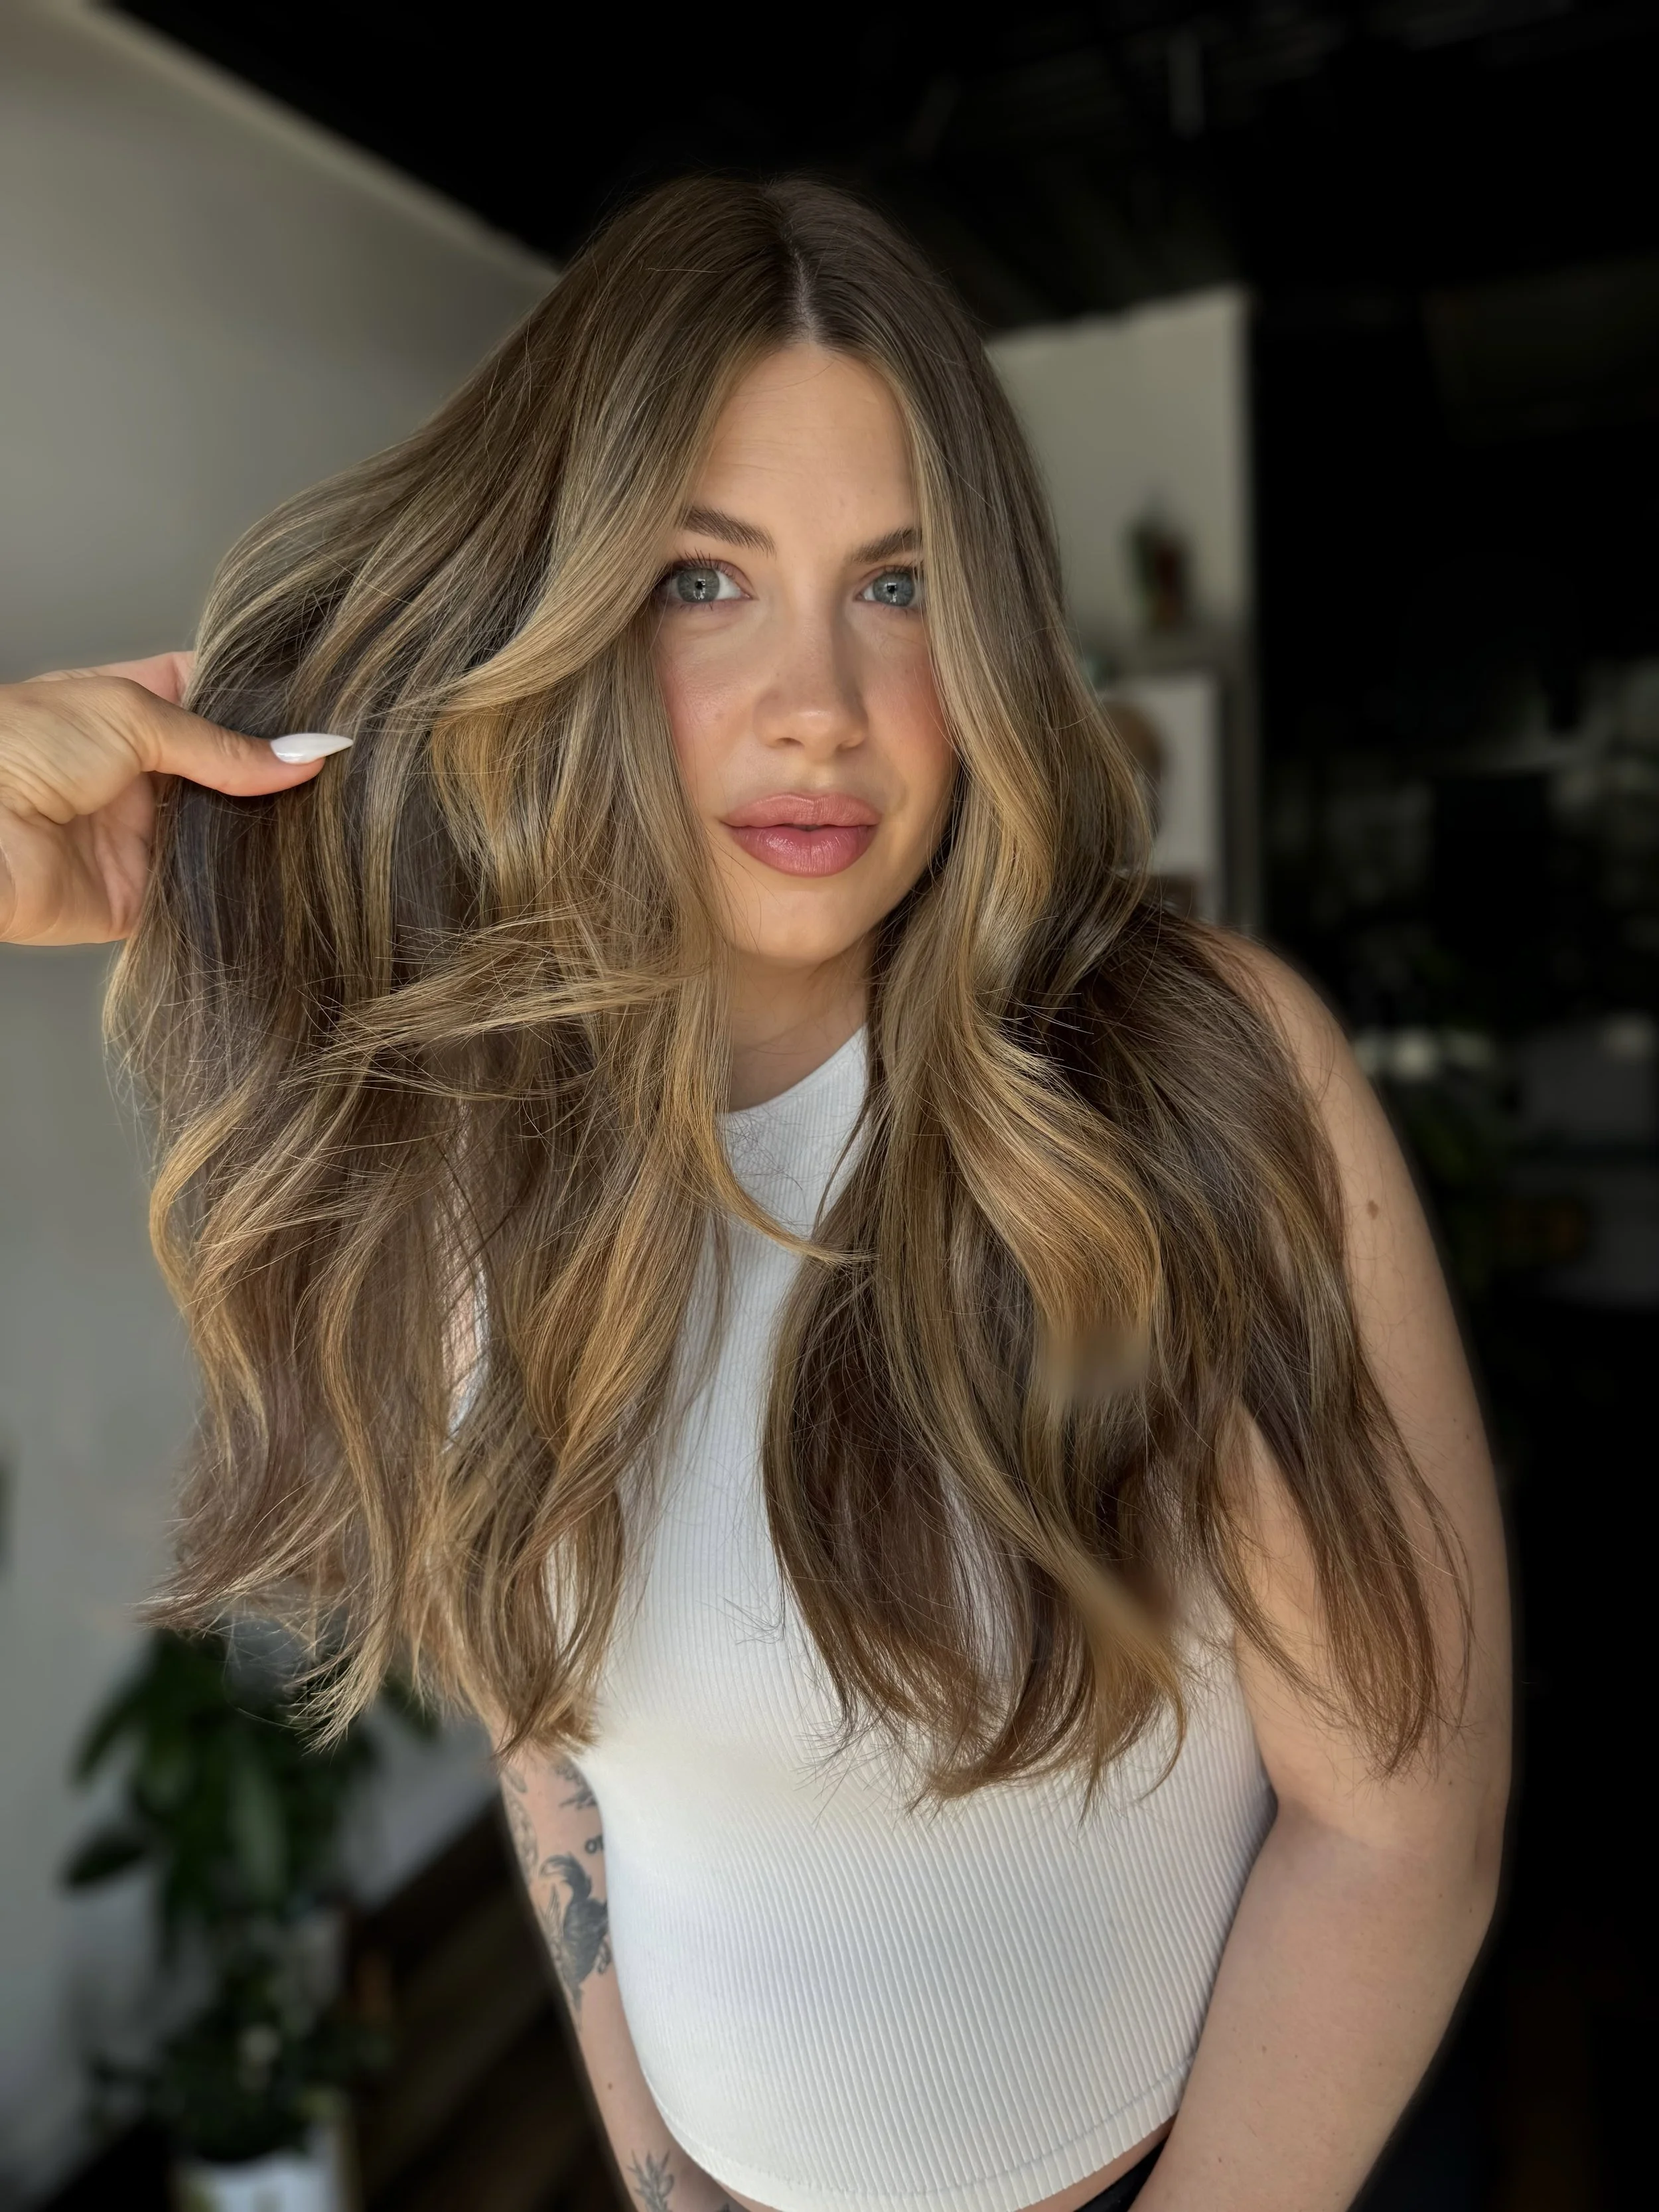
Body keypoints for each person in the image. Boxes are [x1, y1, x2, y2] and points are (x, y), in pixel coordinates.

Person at [0, 178, 1510, 2212]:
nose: (821, 698)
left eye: (894, 586)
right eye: (702, 583)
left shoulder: (1187, 1080)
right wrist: (653, 2164)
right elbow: (558, 1739)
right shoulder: (470, 1124)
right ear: (566, 612)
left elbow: (1400, 1818)